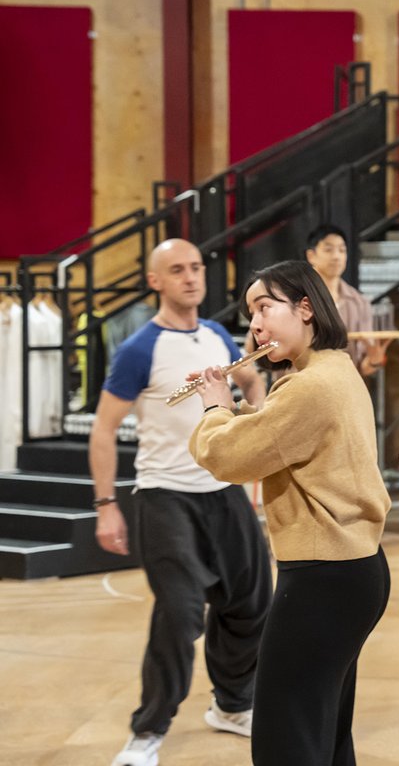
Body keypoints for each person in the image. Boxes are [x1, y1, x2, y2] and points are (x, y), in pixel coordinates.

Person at [189, 260, 391, 766]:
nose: (254, 324)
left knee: (286, 740)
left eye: (265, 307)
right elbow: (279, 430)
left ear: (306, 307)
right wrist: (239, 409)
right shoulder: (332, 369)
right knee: (323, 733)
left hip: (323, 581)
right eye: (249, 313)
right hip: (353, 572)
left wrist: (216, 406)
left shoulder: (310, 387)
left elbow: (228, 457)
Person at [89, 238, 272, 766]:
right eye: (177, 270)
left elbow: (250, 377)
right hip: (165, 495)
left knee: (252, 600)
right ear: (156, 282)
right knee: (181, 610)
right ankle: (148, 730)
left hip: (224, 491)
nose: (192, 277)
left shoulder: (216, 333)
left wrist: (256, 415)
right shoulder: (139, 349)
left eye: (196, 267)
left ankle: (232, 705)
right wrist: (106, 504)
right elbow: (103, 430)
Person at [304, 224, 388, 378]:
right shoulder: (295, 296)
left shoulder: (359, 302)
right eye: (328, 249)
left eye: (342, 250)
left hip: (343, 387)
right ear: (311, 256)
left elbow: (362, 367)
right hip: (301, 384)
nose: (336, 256)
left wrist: (374, 359)